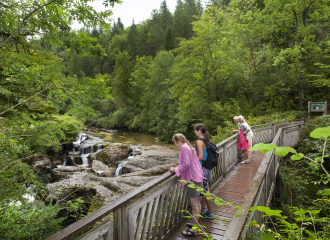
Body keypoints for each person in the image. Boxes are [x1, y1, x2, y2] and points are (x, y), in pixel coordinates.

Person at [170, 133, 204, 237]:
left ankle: (194, 231)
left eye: (175, 143)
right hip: (197, 176)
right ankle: (195, 225)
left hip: (192, 179)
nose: (175, 145)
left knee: (194, 206)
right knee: (197, 204)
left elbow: (186, 164)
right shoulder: (189, 146)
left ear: (178, 141)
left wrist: (175, 169)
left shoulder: (184, 148)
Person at [194, 123, 214, 220]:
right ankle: (203, 209)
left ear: (198, 131)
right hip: (207, 168)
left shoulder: (199, 141)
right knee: (206, 190)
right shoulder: (205, 140)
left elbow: (201, 157)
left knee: (206, 192)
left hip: (202, 169)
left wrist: (191, 162)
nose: (194, 132)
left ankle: (210, 213)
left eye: (195, 130)